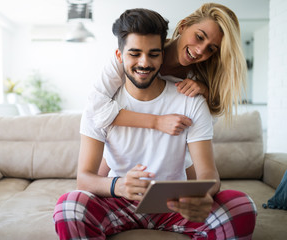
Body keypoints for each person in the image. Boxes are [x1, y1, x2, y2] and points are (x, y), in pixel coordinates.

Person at [54, 8, 256, 239]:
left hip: (173, 205)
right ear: (120, 57)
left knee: (240, 205)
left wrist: (202, 195)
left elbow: (209, 175)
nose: (144, 62)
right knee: (70, 204)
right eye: (135, 53)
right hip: (120, 201)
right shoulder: (102, 101)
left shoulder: (192, 96)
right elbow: (84, 178)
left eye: (153, 54)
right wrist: (117, 185)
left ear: (161, 55)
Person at [92, 2, 247, 177]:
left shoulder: (198, 80)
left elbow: (204, 122)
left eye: (211, 49)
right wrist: (157, 122)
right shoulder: (132, 56)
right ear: (183, 26)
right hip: (123, 138)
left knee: (200, 187)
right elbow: (96, 108)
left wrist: (205, 91)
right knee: (93, 186)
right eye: (199, 37)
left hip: (171, 147)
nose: (199, 50)